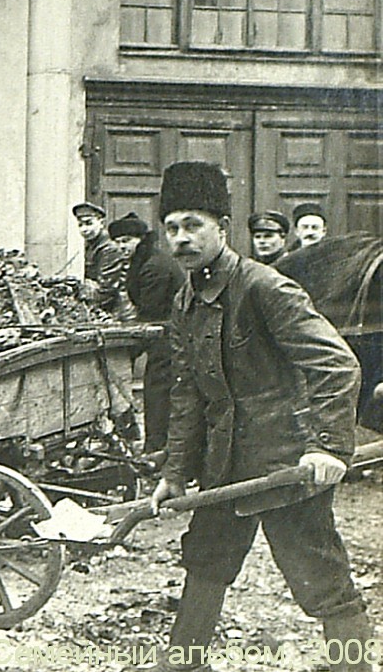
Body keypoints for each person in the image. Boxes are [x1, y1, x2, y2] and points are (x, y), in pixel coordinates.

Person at [137, 162, 372, 672]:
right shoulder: (186, 300)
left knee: (319, 574)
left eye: (193, 224)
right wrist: (175, 474)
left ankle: (352, 665)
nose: (181, 238)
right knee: (207, 558)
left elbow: (337, 364)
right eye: (172, 227)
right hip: (225, 460)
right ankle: (183, 660)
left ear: (222, 226)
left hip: (285, 459)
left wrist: (327, 447)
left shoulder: (266, 288)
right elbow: (187, 395)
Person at [109, 213, 185, 453]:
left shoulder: (154, 266)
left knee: (158, 392)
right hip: (161, 332)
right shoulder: (144, 259)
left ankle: (157, 449)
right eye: (118, 242)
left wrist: (126, 350)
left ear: (141, 239)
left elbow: (149, 312)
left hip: (169, 336)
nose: (122, 247)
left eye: (127, 241)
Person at [73, 202, 131, 317]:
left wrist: (83, 296)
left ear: (101, 223)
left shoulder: (109, 249)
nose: (84, 229)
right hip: (104, 306)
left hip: (117, 311)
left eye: (89, 223)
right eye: (80, 225)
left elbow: (107, 289)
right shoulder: (92, 246)